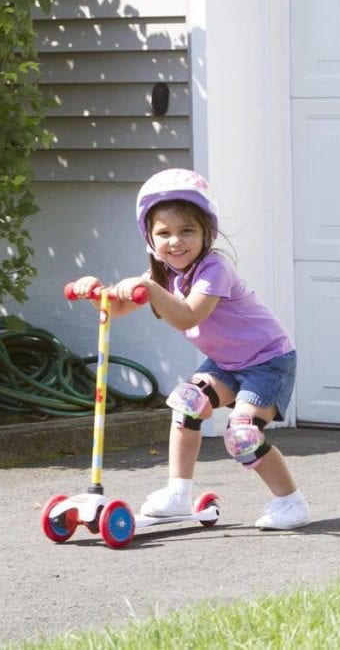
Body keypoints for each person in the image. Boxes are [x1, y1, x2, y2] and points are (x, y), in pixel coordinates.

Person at [69, 168, 311, 530]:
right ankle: (178, 494)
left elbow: (188, 316)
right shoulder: (161, 275)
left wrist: (149, 289)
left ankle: (291, 503)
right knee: (187, 404)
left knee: (242, 434)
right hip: (228, 362)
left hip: (268, 361)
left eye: (187, 231)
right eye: (164, 233)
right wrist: (96, 294)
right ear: (150, 238)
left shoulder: (214, 268)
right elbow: (115, 309)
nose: (175, 242)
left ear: (205, 234)